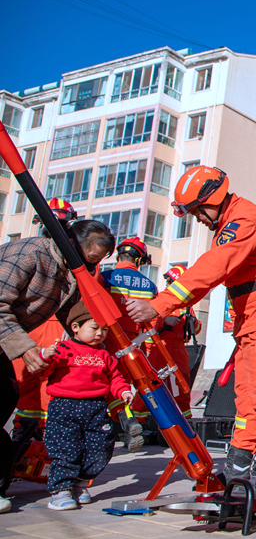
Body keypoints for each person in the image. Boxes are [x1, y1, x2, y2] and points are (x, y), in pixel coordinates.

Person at [126, 166, 256, 497]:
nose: (198, 219)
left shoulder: (244, 220)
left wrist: (160, 304)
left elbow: (213, 268)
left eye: (197, 212)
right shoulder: (232, 220)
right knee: (247, 398)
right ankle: (238, 470)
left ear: (212, 200)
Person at [0, 219, 116, 514]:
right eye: (90, 259)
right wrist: (25, 349)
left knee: (5, 397)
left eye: (98, 262)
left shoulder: (72, 270)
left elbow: (71, 314)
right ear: (70, 243)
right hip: (10, 337)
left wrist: (93, 345)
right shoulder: (28, 254)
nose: (91, 267)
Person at [41, 302, 133, 510]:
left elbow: (115, 377)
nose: (100, 334)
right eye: (94, 328)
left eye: (104, 330)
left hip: (96, 407)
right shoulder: (62, 349)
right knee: (66, 448)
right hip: (65, 406)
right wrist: (45, 356)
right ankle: (60, 490)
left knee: (101, 447)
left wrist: (123, 391)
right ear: (75, 327)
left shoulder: (105, 355)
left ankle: (80, 484)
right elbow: (44, 370)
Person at [11, 199, 80, 435]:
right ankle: (43, 431)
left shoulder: (27, 248)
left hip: (28, 322)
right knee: (45, 379)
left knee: (27, 378)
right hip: (52, 323)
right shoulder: (75, 256)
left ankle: (25, 430)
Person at [102, 236, 158, 451]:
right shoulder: (149, 285)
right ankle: (127, 423)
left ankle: (121, 422)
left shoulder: (106, 277)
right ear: (140, 260)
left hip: (107, 336)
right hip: (134, 341)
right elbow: (153, 320)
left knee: (104, 380)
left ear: (119, 255)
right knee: (123, 384)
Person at [158, 265, 203, 418]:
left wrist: (193, 322)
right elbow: (148, 321)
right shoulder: (160, 299)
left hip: (179, 347)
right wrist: (164, 321)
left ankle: (185, 419)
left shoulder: (186, 305)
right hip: (161, 346)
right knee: (154, 384)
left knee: (182, 384)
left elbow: (197, 329)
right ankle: (143, 420)